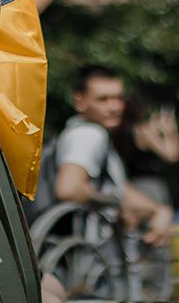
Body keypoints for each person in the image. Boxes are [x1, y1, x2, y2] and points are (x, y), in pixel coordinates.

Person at [49, 66, 174, 266]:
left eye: (118, 98)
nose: (114, 107)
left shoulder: (93, 133)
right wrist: (114, 203)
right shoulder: (89, 135)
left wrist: (157, 210)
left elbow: (119, 189)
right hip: (83, 261)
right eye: (103, 99)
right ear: (80, 101)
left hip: (91, 259)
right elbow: (69, 188)